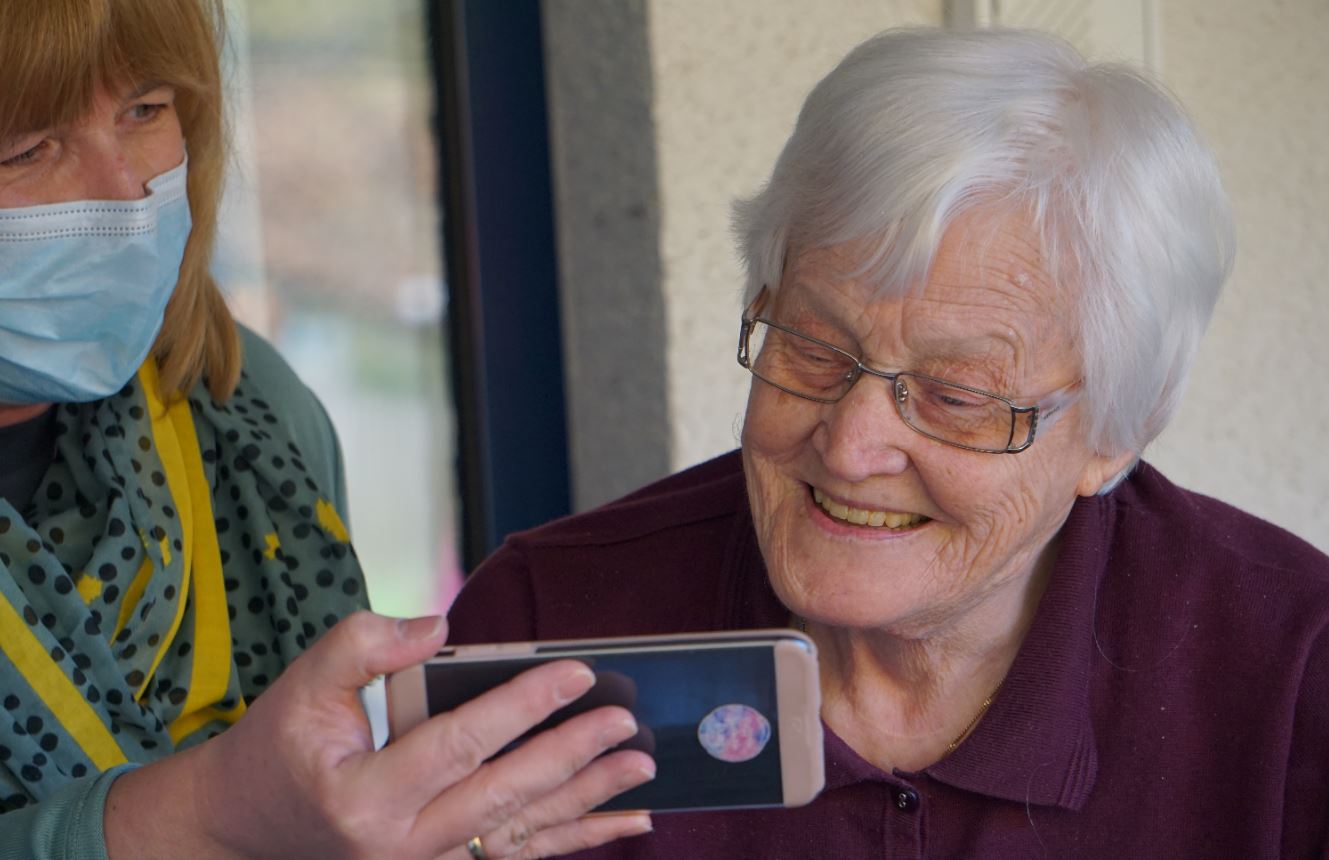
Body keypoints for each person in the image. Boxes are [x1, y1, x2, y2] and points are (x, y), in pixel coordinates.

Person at [446, 27, 1329, 858]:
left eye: (956, 395)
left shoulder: (1293, 673)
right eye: (813, 348)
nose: (849, 445)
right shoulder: (548, 626)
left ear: (1113, 434)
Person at [0, 1, 654, 857]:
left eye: (146, 110)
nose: (127, 190)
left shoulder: (241, 406)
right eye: (26, 148)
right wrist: (209, 814)